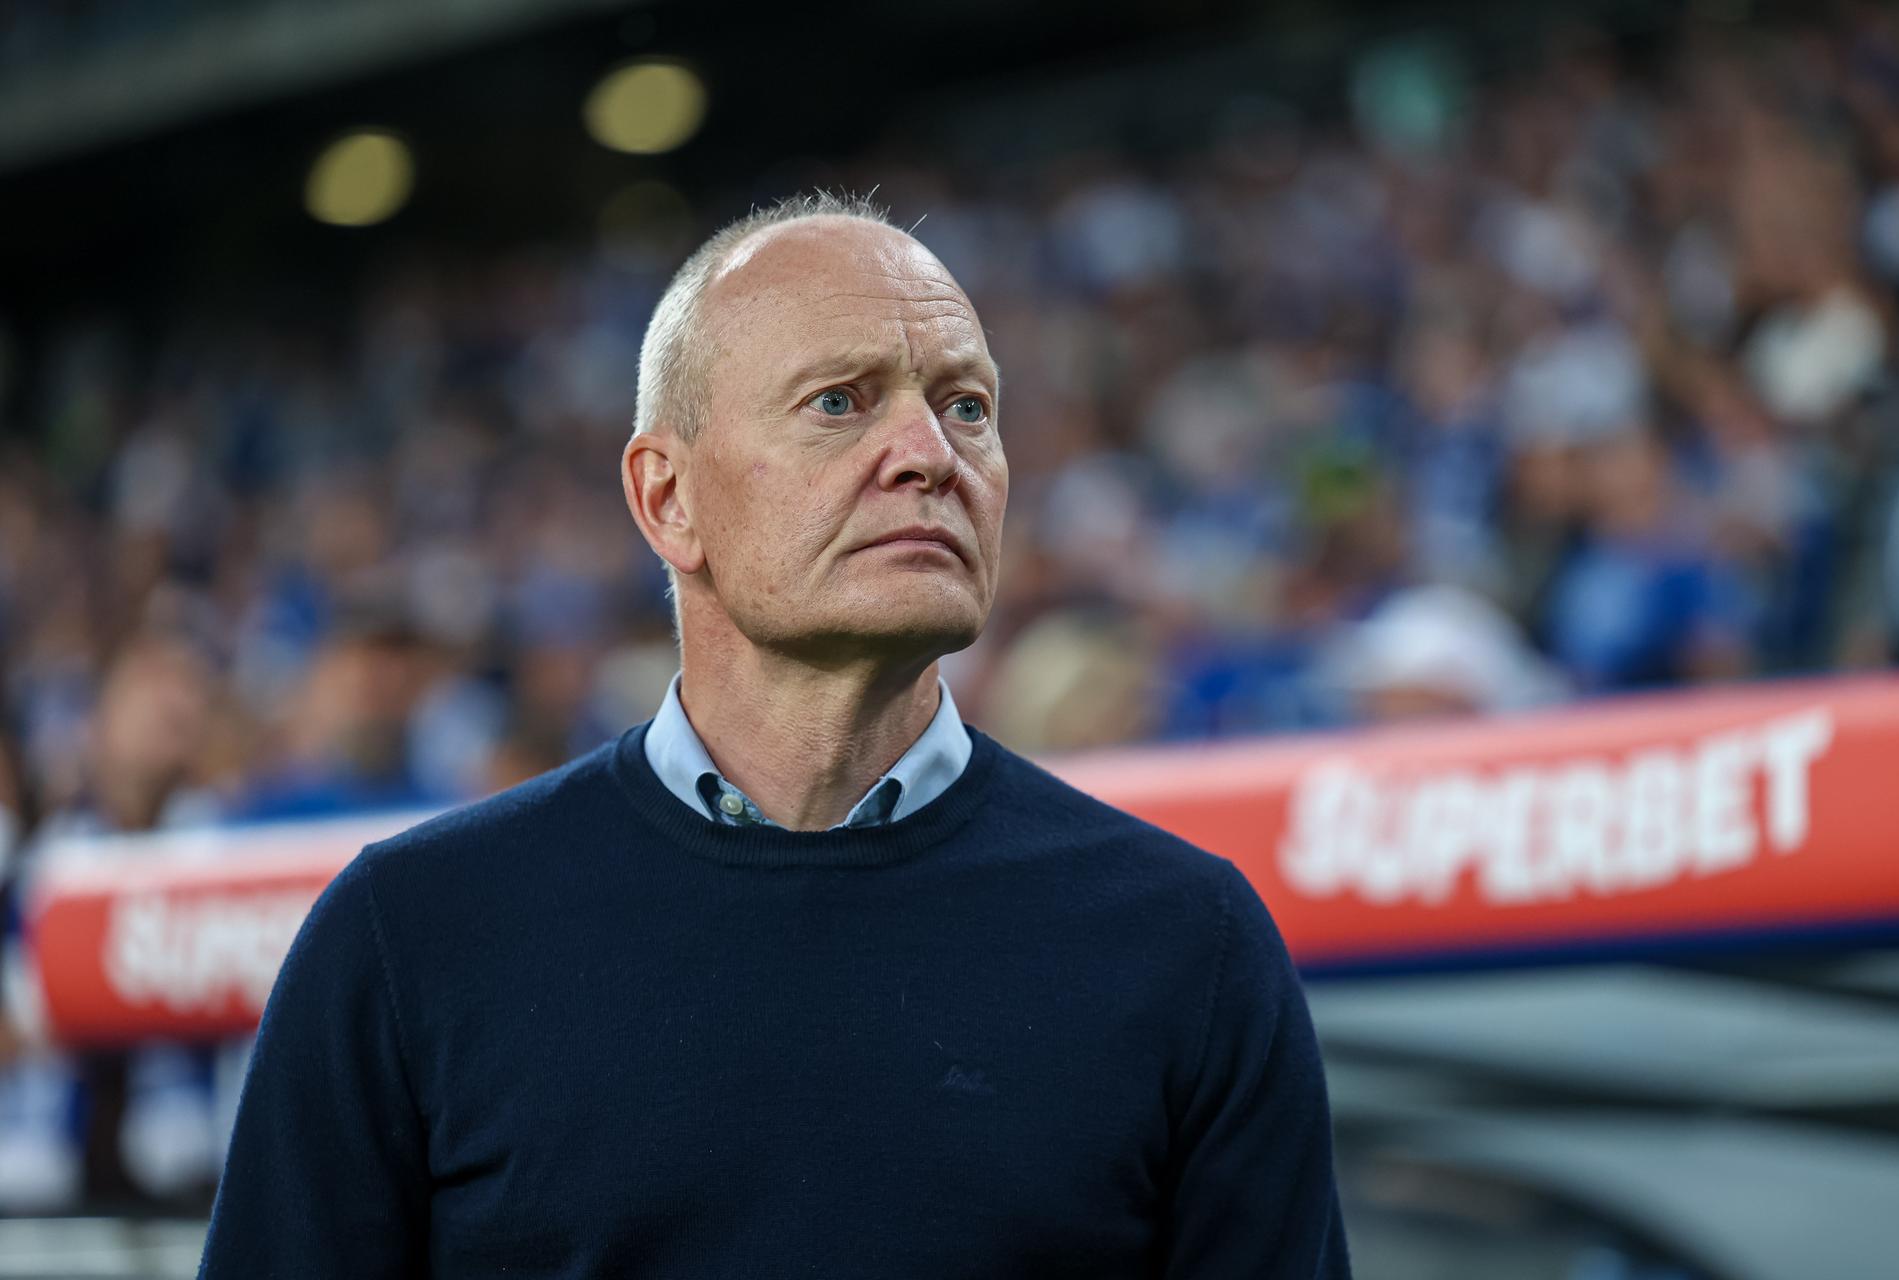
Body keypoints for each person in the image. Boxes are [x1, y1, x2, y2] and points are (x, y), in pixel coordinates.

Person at [200, 192, 1349, 1278]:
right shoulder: (409, 939)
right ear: (667, 500)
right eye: (839, 402)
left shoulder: (1186, 943)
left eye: (967, 406)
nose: (929, 454)